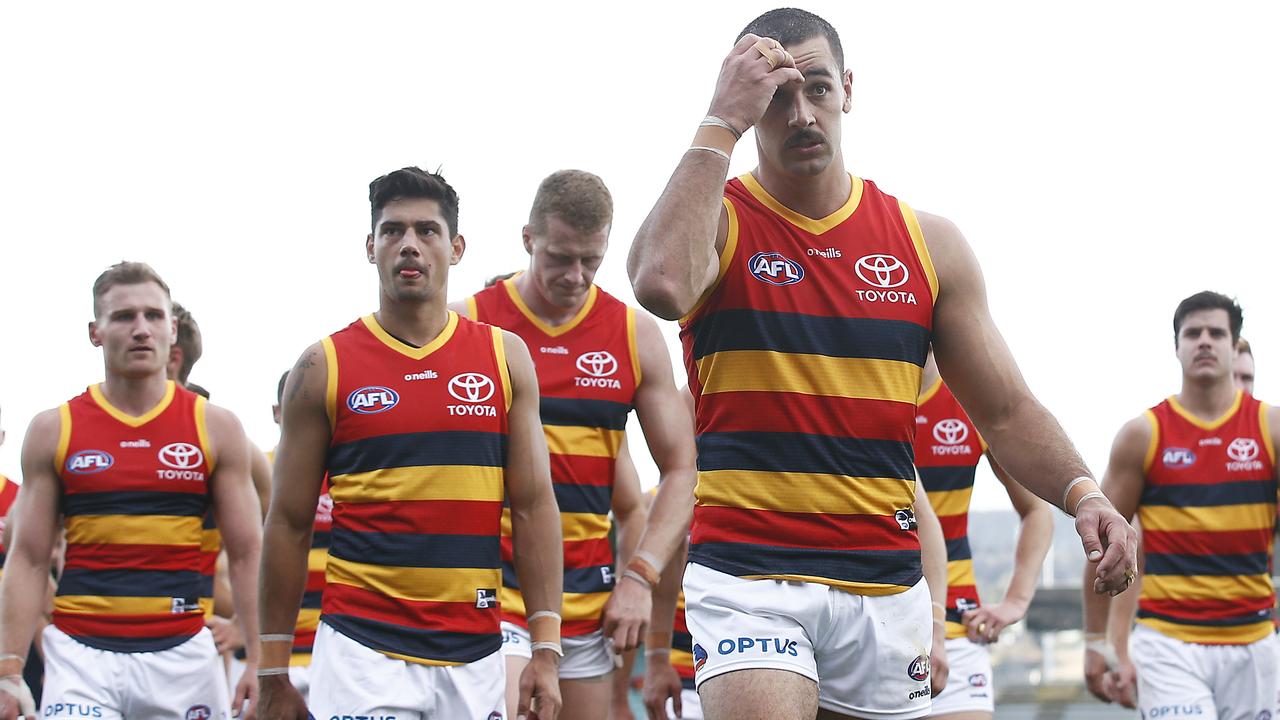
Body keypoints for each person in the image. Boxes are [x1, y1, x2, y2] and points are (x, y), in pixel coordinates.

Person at [622, 8, 1137, 719]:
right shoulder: (722, 219)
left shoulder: (928, 244)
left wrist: (1086, 495)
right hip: (749, 577)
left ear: (850, 90)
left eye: (818, 89)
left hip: (886, 586)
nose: (802, 114)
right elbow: (660, 283)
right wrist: (719, 120)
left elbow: (1007, 411)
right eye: (776, 97)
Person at [257, 167, 565, 720]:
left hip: (475, 653)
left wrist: (545, 648)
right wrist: (272, 669)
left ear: (456, 247)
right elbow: (287, 523)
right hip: (359, 651)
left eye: (427, 230)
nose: (409, 245)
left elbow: (535, 505)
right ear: (370, 247)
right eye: (392, 230)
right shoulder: (322, 366)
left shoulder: (506, 357)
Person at [452, 169, 697, 720]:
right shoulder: (471, 322)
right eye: (560, 258)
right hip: (494, 594)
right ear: (527, 240)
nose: (575, 275)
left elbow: (683, 469)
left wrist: (640, 576)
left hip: (588, 598)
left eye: (591, 260)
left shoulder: (632, 333)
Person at [0, 261, 262, 720]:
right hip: (80, 659)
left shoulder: (215, 428)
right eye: (123, 317)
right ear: (95, 332)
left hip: (184, 657)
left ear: (172, 328)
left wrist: (262, 660)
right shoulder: (53, 429)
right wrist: (8, 671)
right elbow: (28, 557)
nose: (141, 329)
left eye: (153, 316)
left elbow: (246, 553)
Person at [1084, 292, 1279, 719]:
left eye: (1216, 333)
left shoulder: (1272, 428)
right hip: (1169, 644)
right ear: (1177, 347)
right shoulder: (1143, 435)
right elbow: (1103, 543)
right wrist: (1097, 641)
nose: (1204, 341)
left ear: (1234, 344)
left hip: (1254, 642)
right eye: (1193, 333)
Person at [914, 352, 1053, 719]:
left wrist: (1016, 601)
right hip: (867, 617)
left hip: (957, 626)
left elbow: (1038, 511)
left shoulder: (968, 402)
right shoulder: (855, 393)